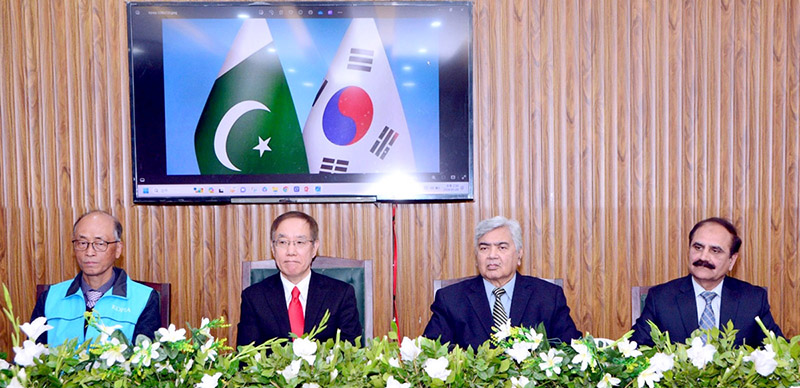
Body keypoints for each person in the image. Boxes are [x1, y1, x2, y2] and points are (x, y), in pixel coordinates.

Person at [423, 216, 581, 349]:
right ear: (476, 257)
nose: (492, 255)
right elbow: (432, 352)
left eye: (502, 247)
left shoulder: (548, 297)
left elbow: (570, 349)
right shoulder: (450, 300)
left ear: (519, 254)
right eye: (484, 248)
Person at [631, 217, 783, 347]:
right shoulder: (661, 298)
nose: (703, 257)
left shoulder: (752, 300)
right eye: (698, 247)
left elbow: (779, 352)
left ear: (732, 260)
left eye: (715, 251)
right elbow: (635, 350)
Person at [30, 210, 161, 345]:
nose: (89, 252)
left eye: (100, 243)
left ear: (118, 249)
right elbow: (32, 356)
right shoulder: (50, 298)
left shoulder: (144, 299)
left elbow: (145, 358)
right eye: (82, 243)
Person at [237, 211, 362, 347]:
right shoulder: (254, 297)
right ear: (273, 248)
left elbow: (351, 355)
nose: (291, 251)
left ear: (314, 248)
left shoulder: (340, 295)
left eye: (300, 242)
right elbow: (246, 360)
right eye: (283, 242)